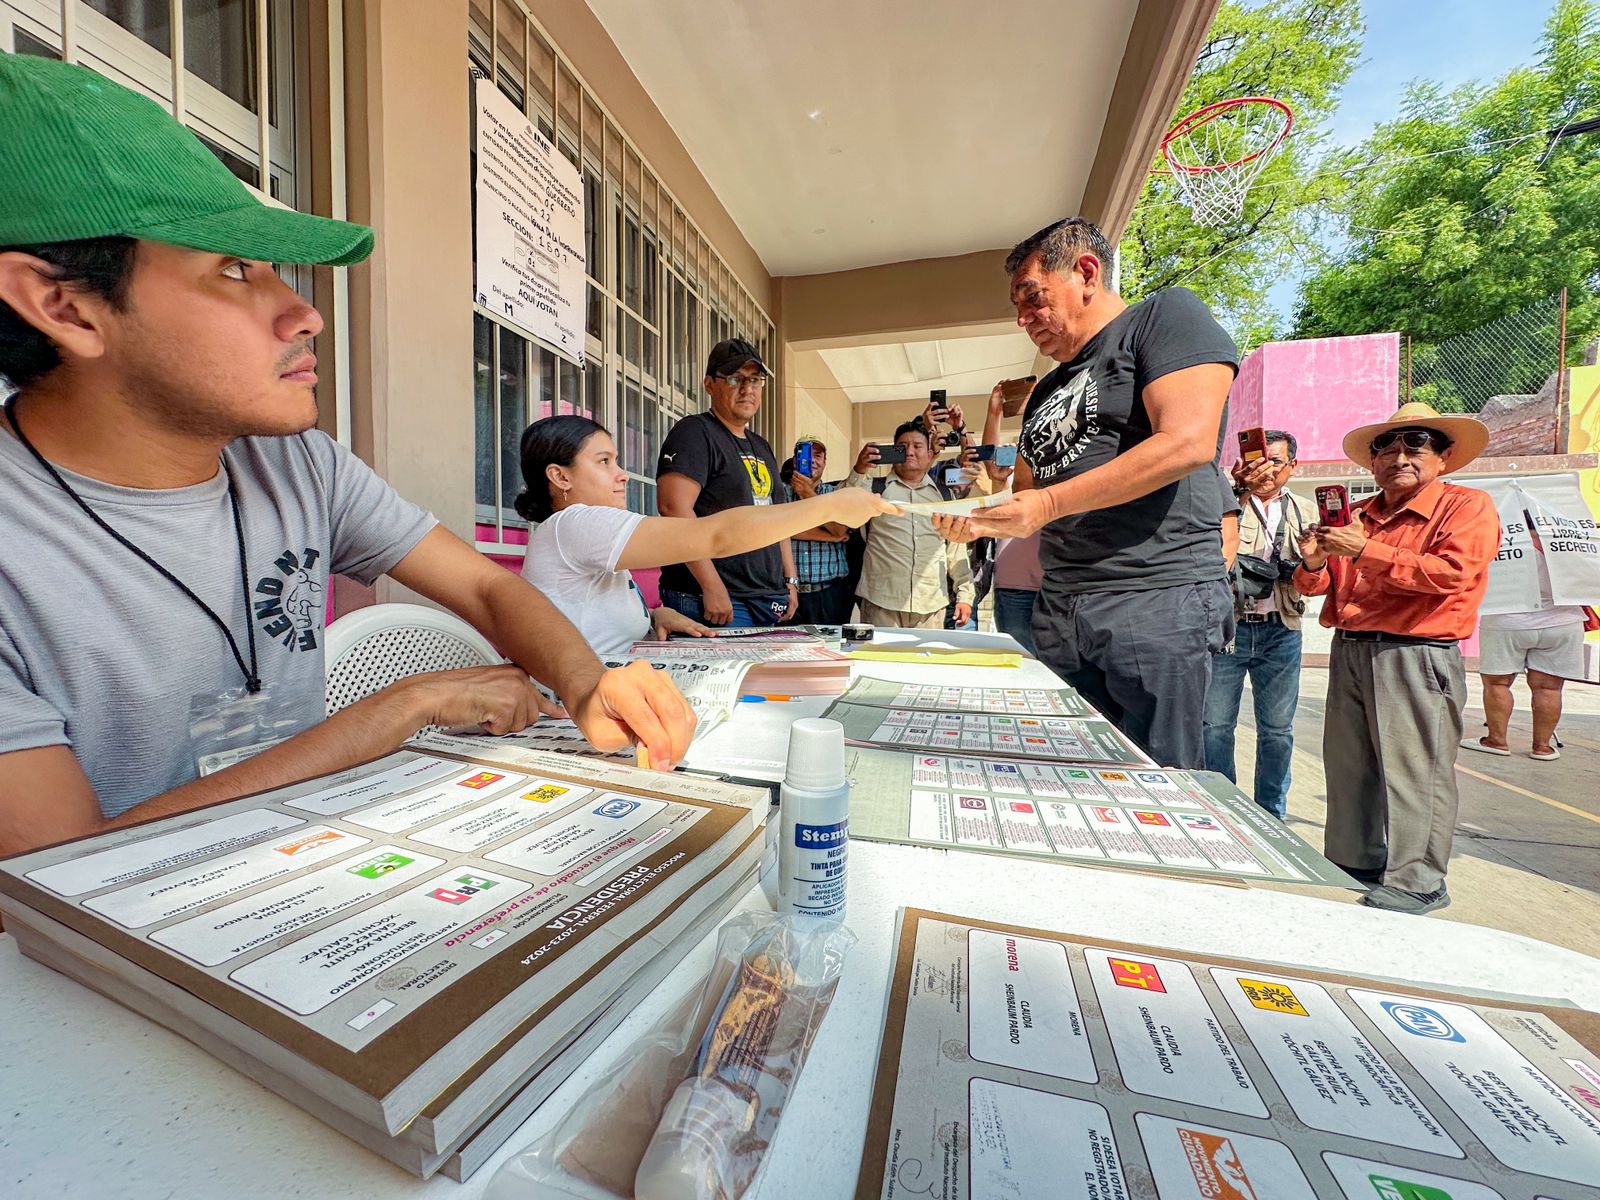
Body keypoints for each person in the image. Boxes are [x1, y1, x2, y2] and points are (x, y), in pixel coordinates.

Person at [0, 55, 694, 858]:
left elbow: (480, 586)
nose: (304, 313)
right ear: (67, 307)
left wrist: (586, 682)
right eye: (233, 269)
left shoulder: (295, 464)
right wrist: (398, 709)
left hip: (309, 872)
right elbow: (50, 867)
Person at [933, 217, 1238, 769]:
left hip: (1152, 596)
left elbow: (1187, 442)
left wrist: (1044, 506)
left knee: (1157, 784)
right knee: (1071, 772)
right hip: (1062, 603)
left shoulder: (1163, 317)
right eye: (1017, 307)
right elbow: (1025, 488)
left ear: (1087, 273)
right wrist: (976, 518)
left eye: (1034, 298)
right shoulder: (1050, 384)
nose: (1024, 319)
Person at [1293, 402, 1498, 915]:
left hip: (1417, 651)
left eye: (1416, 445)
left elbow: (1450, 575)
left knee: (1416, 770)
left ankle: (1418, 879)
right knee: (1349, 764)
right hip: (1354, 647)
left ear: (1443, 458)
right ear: (1371, 462)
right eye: (1385, 448)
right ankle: (1353, 860)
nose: (1399, 457)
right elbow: (1315, 584)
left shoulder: (1466, 507)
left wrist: (1363, 551)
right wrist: (1316, 558)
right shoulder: (1359, 516)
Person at [515, 417, 896, 655]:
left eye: (616, 460)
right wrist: (828, 507)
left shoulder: (573, 531)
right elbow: (715, 536)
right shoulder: (577, 523)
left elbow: (582, 612)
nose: (622, 474)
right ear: (560, 477)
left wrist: (650, 615)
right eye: (604, 462)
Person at [1203, 431, 1309, 819]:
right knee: (1214, 724)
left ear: (1293, 467)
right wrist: (1238, 490)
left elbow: (1321, 576)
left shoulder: (1305, 512)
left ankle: (1270, 813)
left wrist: (1311, 563)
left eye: (1275, 462)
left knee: (1278, 729)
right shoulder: (1227, 505)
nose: (1265, 470)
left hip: (1282, 628)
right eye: (1258, 461)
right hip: (1230, 626)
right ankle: (1221, 806)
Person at [656, 338, 798, 627]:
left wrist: (790, 580)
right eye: (735, 379)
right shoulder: (695, 432)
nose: (747, 389)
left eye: (755, 380)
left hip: (766, 597)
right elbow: (674, 509)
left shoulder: (762, 445)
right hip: (713, 599)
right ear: (710, 384)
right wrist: (711, 585)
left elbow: (779, 519)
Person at [847, 420, 975, 629]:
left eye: (917, 446)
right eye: (902, 446)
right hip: (882, 603)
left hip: (931, 605)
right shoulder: (873, 490)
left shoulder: (944, 497)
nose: (910, 452)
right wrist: (859, 470)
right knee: (879, 662)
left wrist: (965, 594)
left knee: (927, 662)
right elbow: (843, 509)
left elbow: (955, 550)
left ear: (930, 455)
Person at [1464, 590, 1586, 762]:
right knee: (1549, 688)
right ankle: (1542, 747)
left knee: (1497, 684)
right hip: (1562, 620)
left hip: (1505, 618)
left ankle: (1496, 741)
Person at [785, 438, 858, 625]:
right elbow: (780, 530)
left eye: (818, 456)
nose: (812, 461)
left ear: (825, 463)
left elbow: (839, 528)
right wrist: (829, 536)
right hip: (788, 591)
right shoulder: (780, 493)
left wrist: (808, 493)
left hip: (830, 593)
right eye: (806, 455)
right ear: (795, 461)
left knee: (832, 650)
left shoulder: (835, 494)